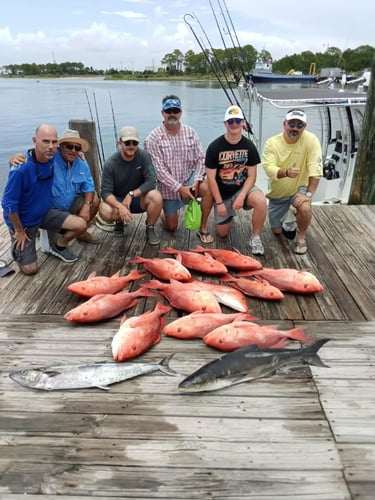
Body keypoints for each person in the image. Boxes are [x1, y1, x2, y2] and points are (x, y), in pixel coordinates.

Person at [2, 124, 86, 275]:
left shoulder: (51, 159)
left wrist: (77, 153)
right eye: (46, 141)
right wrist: (19, 231)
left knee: (80, 225)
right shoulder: (21, 168)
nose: (51, 146)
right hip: (24, 223)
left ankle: (57, 245)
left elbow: (68, 152)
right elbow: (8, 205)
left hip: (44, 214)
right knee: (30, 270)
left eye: (54, 142)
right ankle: (17, 244)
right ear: (35, 140)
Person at [9, 129, 100, 251]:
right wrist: (13, 160)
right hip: (49, 209)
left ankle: (81, 233)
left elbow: (89, 186)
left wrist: (87, 205)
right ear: (60, 146)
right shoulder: (49, 158)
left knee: (94, 200)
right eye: (69, 146)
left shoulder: (82, 162)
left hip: (69, 203)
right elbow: (33, 156)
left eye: (77, 148)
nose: (73, 150)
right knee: (30, 268)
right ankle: (49, 233)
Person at [145, 94, 214, 243]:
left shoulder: (191, 132)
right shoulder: (153, 137)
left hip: (189, 179)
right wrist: (179, 188)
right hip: (168, 188)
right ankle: (164, 212)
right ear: (162, 113)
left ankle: (202, 228)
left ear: (181, 113)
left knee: (207, 187)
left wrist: (196, 181)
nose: (172, 114)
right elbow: (159, 170)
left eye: (175, 111)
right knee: (172, 227)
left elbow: (201, 159)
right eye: (168, 111)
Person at [205, 104, 267, 255]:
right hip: (223, 192)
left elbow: (252, 175)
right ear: (225, 123)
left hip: (242, 188)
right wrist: (219, 202)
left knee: (261, 200)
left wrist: (242, 195)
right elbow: (211, 178)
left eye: (237, 121)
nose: (234, 124)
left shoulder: (249, 146)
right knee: (222, 233)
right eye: (230, 121)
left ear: (243, 123)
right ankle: (227, 215)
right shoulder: (214, 147)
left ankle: (256, 237)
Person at [262, 108, 323, 255]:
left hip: (299, 189)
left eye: (299, 125)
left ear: (304, 127)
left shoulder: (311, 140)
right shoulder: (272, 143)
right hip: (278, 193)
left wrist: (307, 195)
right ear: (284, 124)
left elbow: (316, 170)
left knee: (305, 207)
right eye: (292, 124)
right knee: (276, 231)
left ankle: (301, 237)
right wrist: (286, 172)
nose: (295, 128)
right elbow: (268, 168)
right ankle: (289, 211)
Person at [98, 126, 162, 245]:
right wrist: (120, 206)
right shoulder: (110, 164)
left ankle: (150, 227)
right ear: (120, 143)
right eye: (127, 142)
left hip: (138, 199)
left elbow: (152, 181)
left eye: (135, 143)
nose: (131, 146)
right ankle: (119, 221)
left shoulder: (145, 156)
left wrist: (132, 194)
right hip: (119, 201)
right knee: (104, 209)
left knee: (156, 196)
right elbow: (105, 192)